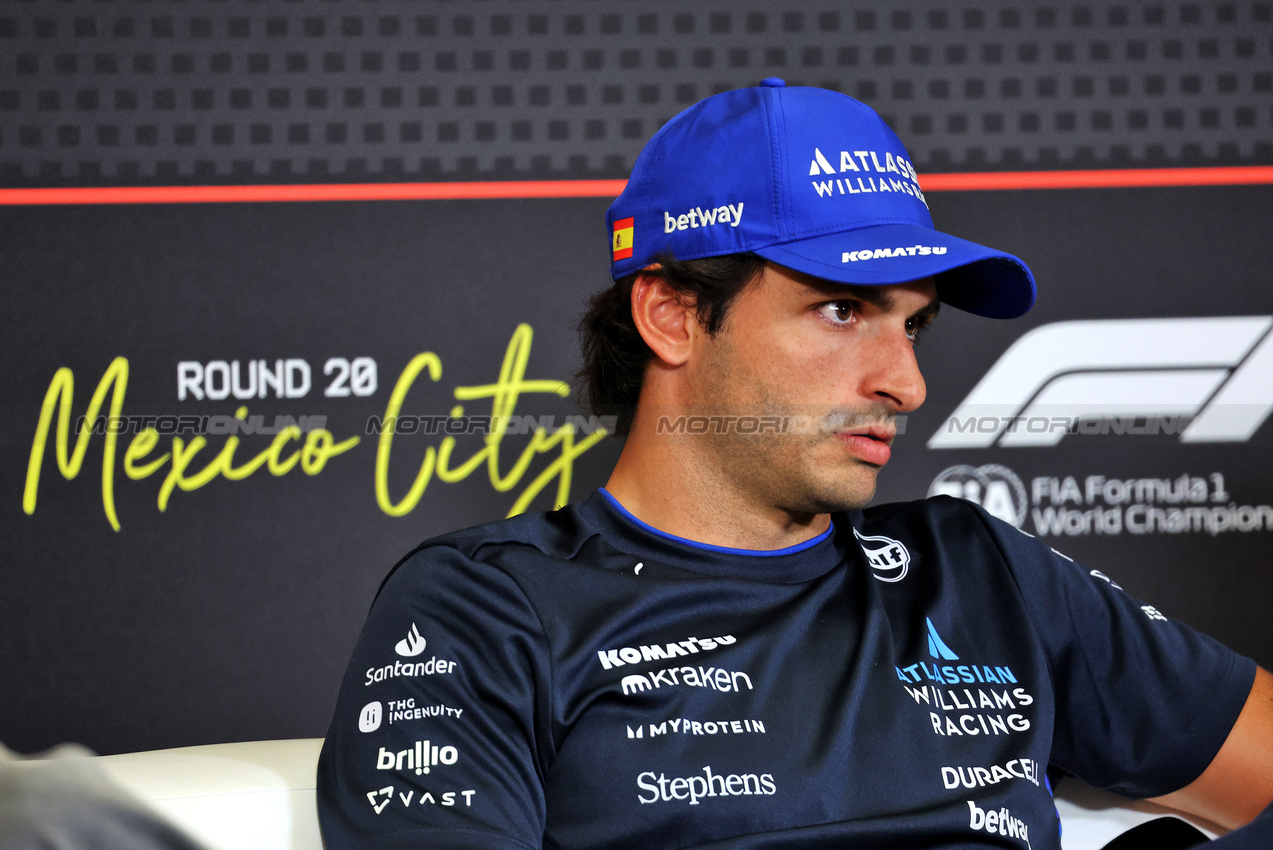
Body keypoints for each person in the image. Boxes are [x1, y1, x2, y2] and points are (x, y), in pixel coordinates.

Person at [317, 80, 1273, 848]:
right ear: (672, 316)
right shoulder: (484, 607)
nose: (905, 384)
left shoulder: (978, 569)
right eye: (842, 310)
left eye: (915, 324)